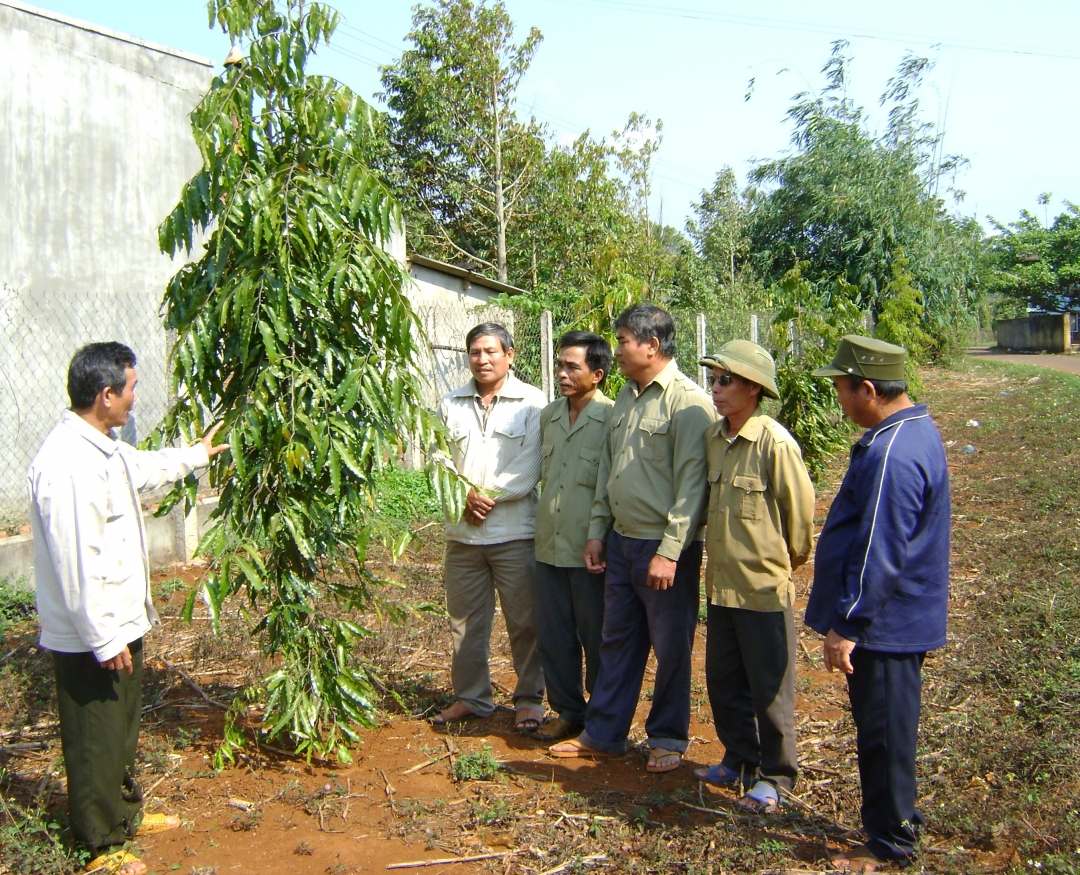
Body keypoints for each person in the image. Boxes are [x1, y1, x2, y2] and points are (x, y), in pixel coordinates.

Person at [28, 342, 227, 875]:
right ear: (106, 394)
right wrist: (103, 636)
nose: (136, 400)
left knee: (119, 726)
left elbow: (145, 468)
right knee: (95, 735)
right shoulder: (69, 465)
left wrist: (198, 455)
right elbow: (77, 563)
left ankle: (121, 815)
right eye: (132, 389)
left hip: (118, 620)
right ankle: (99, 845)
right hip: (95, 632)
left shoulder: (103, 447)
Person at [805, 336, 950, 872]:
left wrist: (849, 622)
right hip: (899, 615)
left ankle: (891, 842)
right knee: (890, 725)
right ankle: (898, 816)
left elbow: (879, 549)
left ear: (868, 388)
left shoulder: (893, 451)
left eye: (843, 390)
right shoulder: (912, 430)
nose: (839, 402)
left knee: (885, 732)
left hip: (887, 622)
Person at [550, 303, 715, 772]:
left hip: (662, 550)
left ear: (652, 345)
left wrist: (670, 552)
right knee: (616, 642)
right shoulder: (626, 395)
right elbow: (609, 469)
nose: (617, 350)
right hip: (621, 543)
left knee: (670, 648)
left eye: (623, 341)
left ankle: (667, 737)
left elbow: (692, 487)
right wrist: (598, 530)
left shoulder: (687, 403)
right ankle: (604, 734)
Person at [692, 341, 815, 812]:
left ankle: (777, 776)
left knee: (770, 687)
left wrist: (782, 565)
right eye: (714, 380)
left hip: (762, 589)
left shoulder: (774, 443)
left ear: (753, 389)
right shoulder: (714, 438)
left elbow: (799, 520)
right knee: (724, 680)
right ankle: (739, 759)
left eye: (725, 381)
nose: (716, 390)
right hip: (721, 586)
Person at [431, 322, 548, 731]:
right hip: (462, 534)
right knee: (464, 622)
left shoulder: (532, 402)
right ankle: (471, 697)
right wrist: (462, 495)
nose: (482, 360)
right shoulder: (450, 403)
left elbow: (531, 464)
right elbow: (438, 458)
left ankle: (530, 699)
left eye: (491, 352)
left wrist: (484, 494)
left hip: (514, 532)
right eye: (475, 353)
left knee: (525, 620)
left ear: (510, 355)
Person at [532, 331, 614, 742]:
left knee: (597, 638)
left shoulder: (612, 419)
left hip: (589, 550)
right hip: (548, 546)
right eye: (559, 365)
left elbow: (609, 489)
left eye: (572, 367)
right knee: (554, 637)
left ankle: (600, 721)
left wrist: (597, 536)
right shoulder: (548, 415)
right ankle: (567, 711)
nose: (562, 373)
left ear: (597, 374)